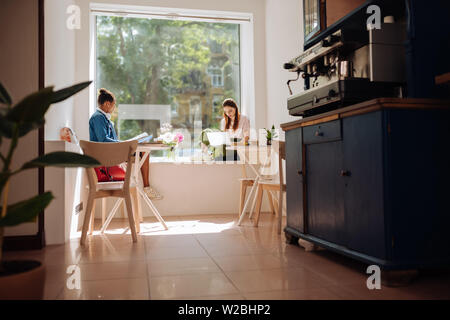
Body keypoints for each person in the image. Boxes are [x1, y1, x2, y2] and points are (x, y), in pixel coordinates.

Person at [89, 88, 161, 199]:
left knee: (143, 150)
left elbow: (110, 140)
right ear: (107, 104)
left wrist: (125, 143)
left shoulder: (104, 118)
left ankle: (145, 187)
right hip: (106, 156)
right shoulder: (98, 118)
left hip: (111, 153)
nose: (114, 108)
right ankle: (146, 187)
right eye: (114, 105)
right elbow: (103, 140)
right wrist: (124, 144)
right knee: (143, 152)